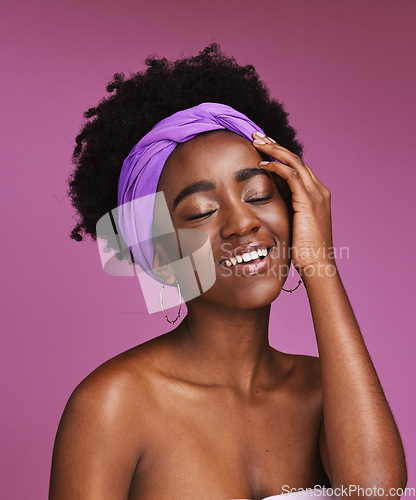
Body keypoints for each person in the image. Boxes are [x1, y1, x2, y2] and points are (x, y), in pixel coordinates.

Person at [49, 44, 407, 500]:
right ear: (161, 258)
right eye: (201, 212)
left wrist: (320, 264)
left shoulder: (327, 391)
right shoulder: (111, 406)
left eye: (259, 195)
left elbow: (378, 495)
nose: (242, 223)